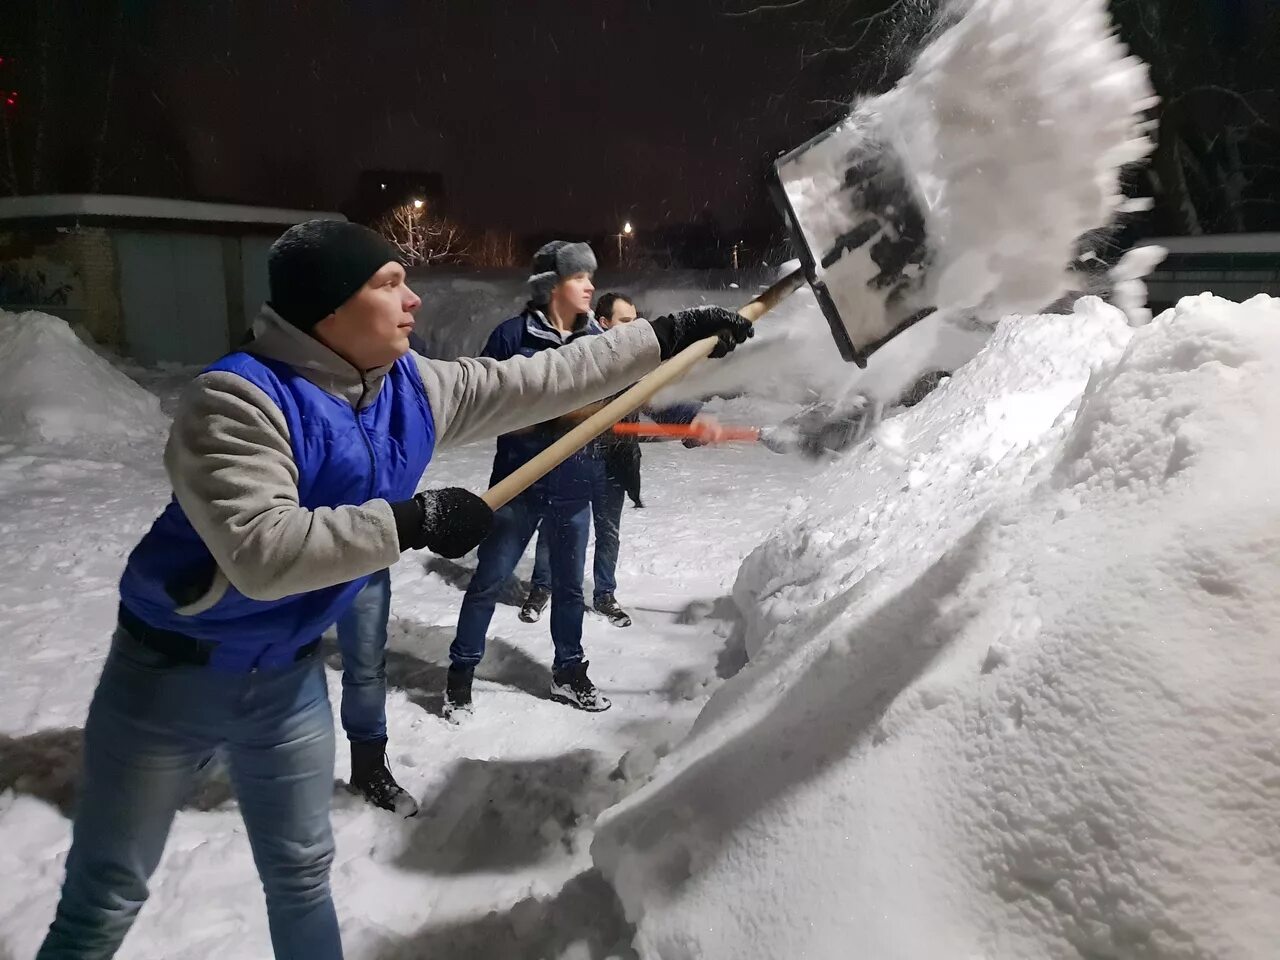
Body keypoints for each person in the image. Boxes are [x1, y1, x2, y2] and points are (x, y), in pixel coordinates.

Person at [36, 221, 752, 960]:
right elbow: (262, 551)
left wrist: (664, 337)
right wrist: (415, 519)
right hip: (168, 677)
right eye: (387, 284)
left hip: (284, 680)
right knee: (107, 895)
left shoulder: (407, 385)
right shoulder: (235, 402)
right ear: (329, 309)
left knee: (302, 875)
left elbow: (535, 381)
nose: (413, 298)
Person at [445, 246, 747, 716]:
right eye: (577, 276)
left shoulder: (600, 345)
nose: (590, 285)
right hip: (518, 484)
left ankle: (569, 672)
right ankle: (460, 673)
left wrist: (691, 420)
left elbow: (641, 391)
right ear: (549, 284)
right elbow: (484, 403)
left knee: (569, 589)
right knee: (489, 580)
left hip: (573, 487)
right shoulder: (510, 337)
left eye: (591, 275)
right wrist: (544, 416)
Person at [519, 292, 711, 629]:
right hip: (573, 460)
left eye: (636, 320)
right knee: (558, 528)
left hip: (616, 461)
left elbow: (658, 398)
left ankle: (605, 595)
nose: (633, 327)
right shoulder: (581, 355)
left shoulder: (637, 363)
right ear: (603, 322)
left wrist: (690, 423)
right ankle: (541, 589)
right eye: (625, 321)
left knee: (609, 533)